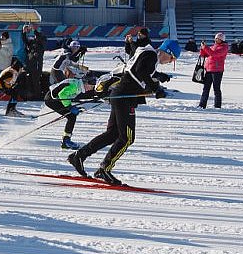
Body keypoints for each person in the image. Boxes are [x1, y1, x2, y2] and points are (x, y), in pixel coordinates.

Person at [67, 39, 179, 186]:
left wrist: (157, 77)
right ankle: (105, 168)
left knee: (112, 134)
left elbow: (139, 70)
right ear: (167, 52)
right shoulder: (151, 55)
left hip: (121, 95)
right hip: (124, 97)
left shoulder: (148, 54)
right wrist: (155, 88)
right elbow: (140, 72)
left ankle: (79, 156)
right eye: (172, 59)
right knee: (127, 137)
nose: (170, 62)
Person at [44, 63, 92, 149]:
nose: (90, 88)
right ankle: (66, 141)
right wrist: (69, 107)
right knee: (71, 117)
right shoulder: (75, 86)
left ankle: (66, 140)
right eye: (90, 86)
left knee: (71, 116)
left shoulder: (78, 84)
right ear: (85, 82)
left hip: (54, 98)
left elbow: (66, 95)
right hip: (51, 100)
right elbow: (62, 94)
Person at [198, 32, 229, 109]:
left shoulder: (223, 48)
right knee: (206, 88)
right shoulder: (213, 46)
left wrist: (205, 47)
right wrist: (202, 48)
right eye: (215, 38)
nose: (216, 40)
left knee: (216, 88)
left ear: (222, 40)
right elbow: (204, 54)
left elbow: (213, 54)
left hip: (217, 70)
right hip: (209, 69)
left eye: (218, 39)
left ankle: (217, 106)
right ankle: (202, 105)